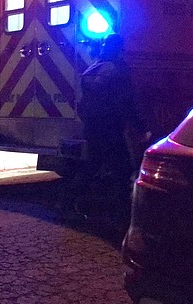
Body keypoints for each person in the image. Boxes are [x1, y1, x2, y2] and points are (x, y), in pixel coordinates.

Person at [62, 33, 150, 225]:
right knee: (122, 168)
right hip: (110, 127)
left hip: (92, 127)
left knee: (93, 164)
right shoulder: (119, 69)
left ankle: (68, 204)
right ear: (119, 48)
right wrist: (140, 127)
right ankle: (123, 217)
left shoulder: (94, 67)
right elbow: (127, 102)